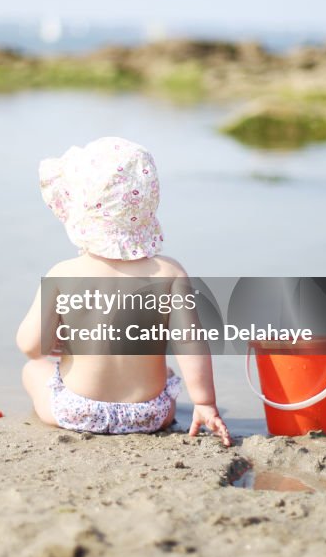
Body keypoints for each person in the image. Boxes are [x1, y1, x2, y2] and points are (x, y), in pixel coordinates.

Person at [17, 136, 231, 445]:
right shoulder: (170, 273)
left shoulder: (64, 273)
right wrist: (204, 404)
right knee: (167, 371)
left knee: (33, 369)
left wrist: (56, 339)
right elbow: (191, 345)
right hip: (150, 414)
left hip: (76, 411)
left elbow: (30, 346)